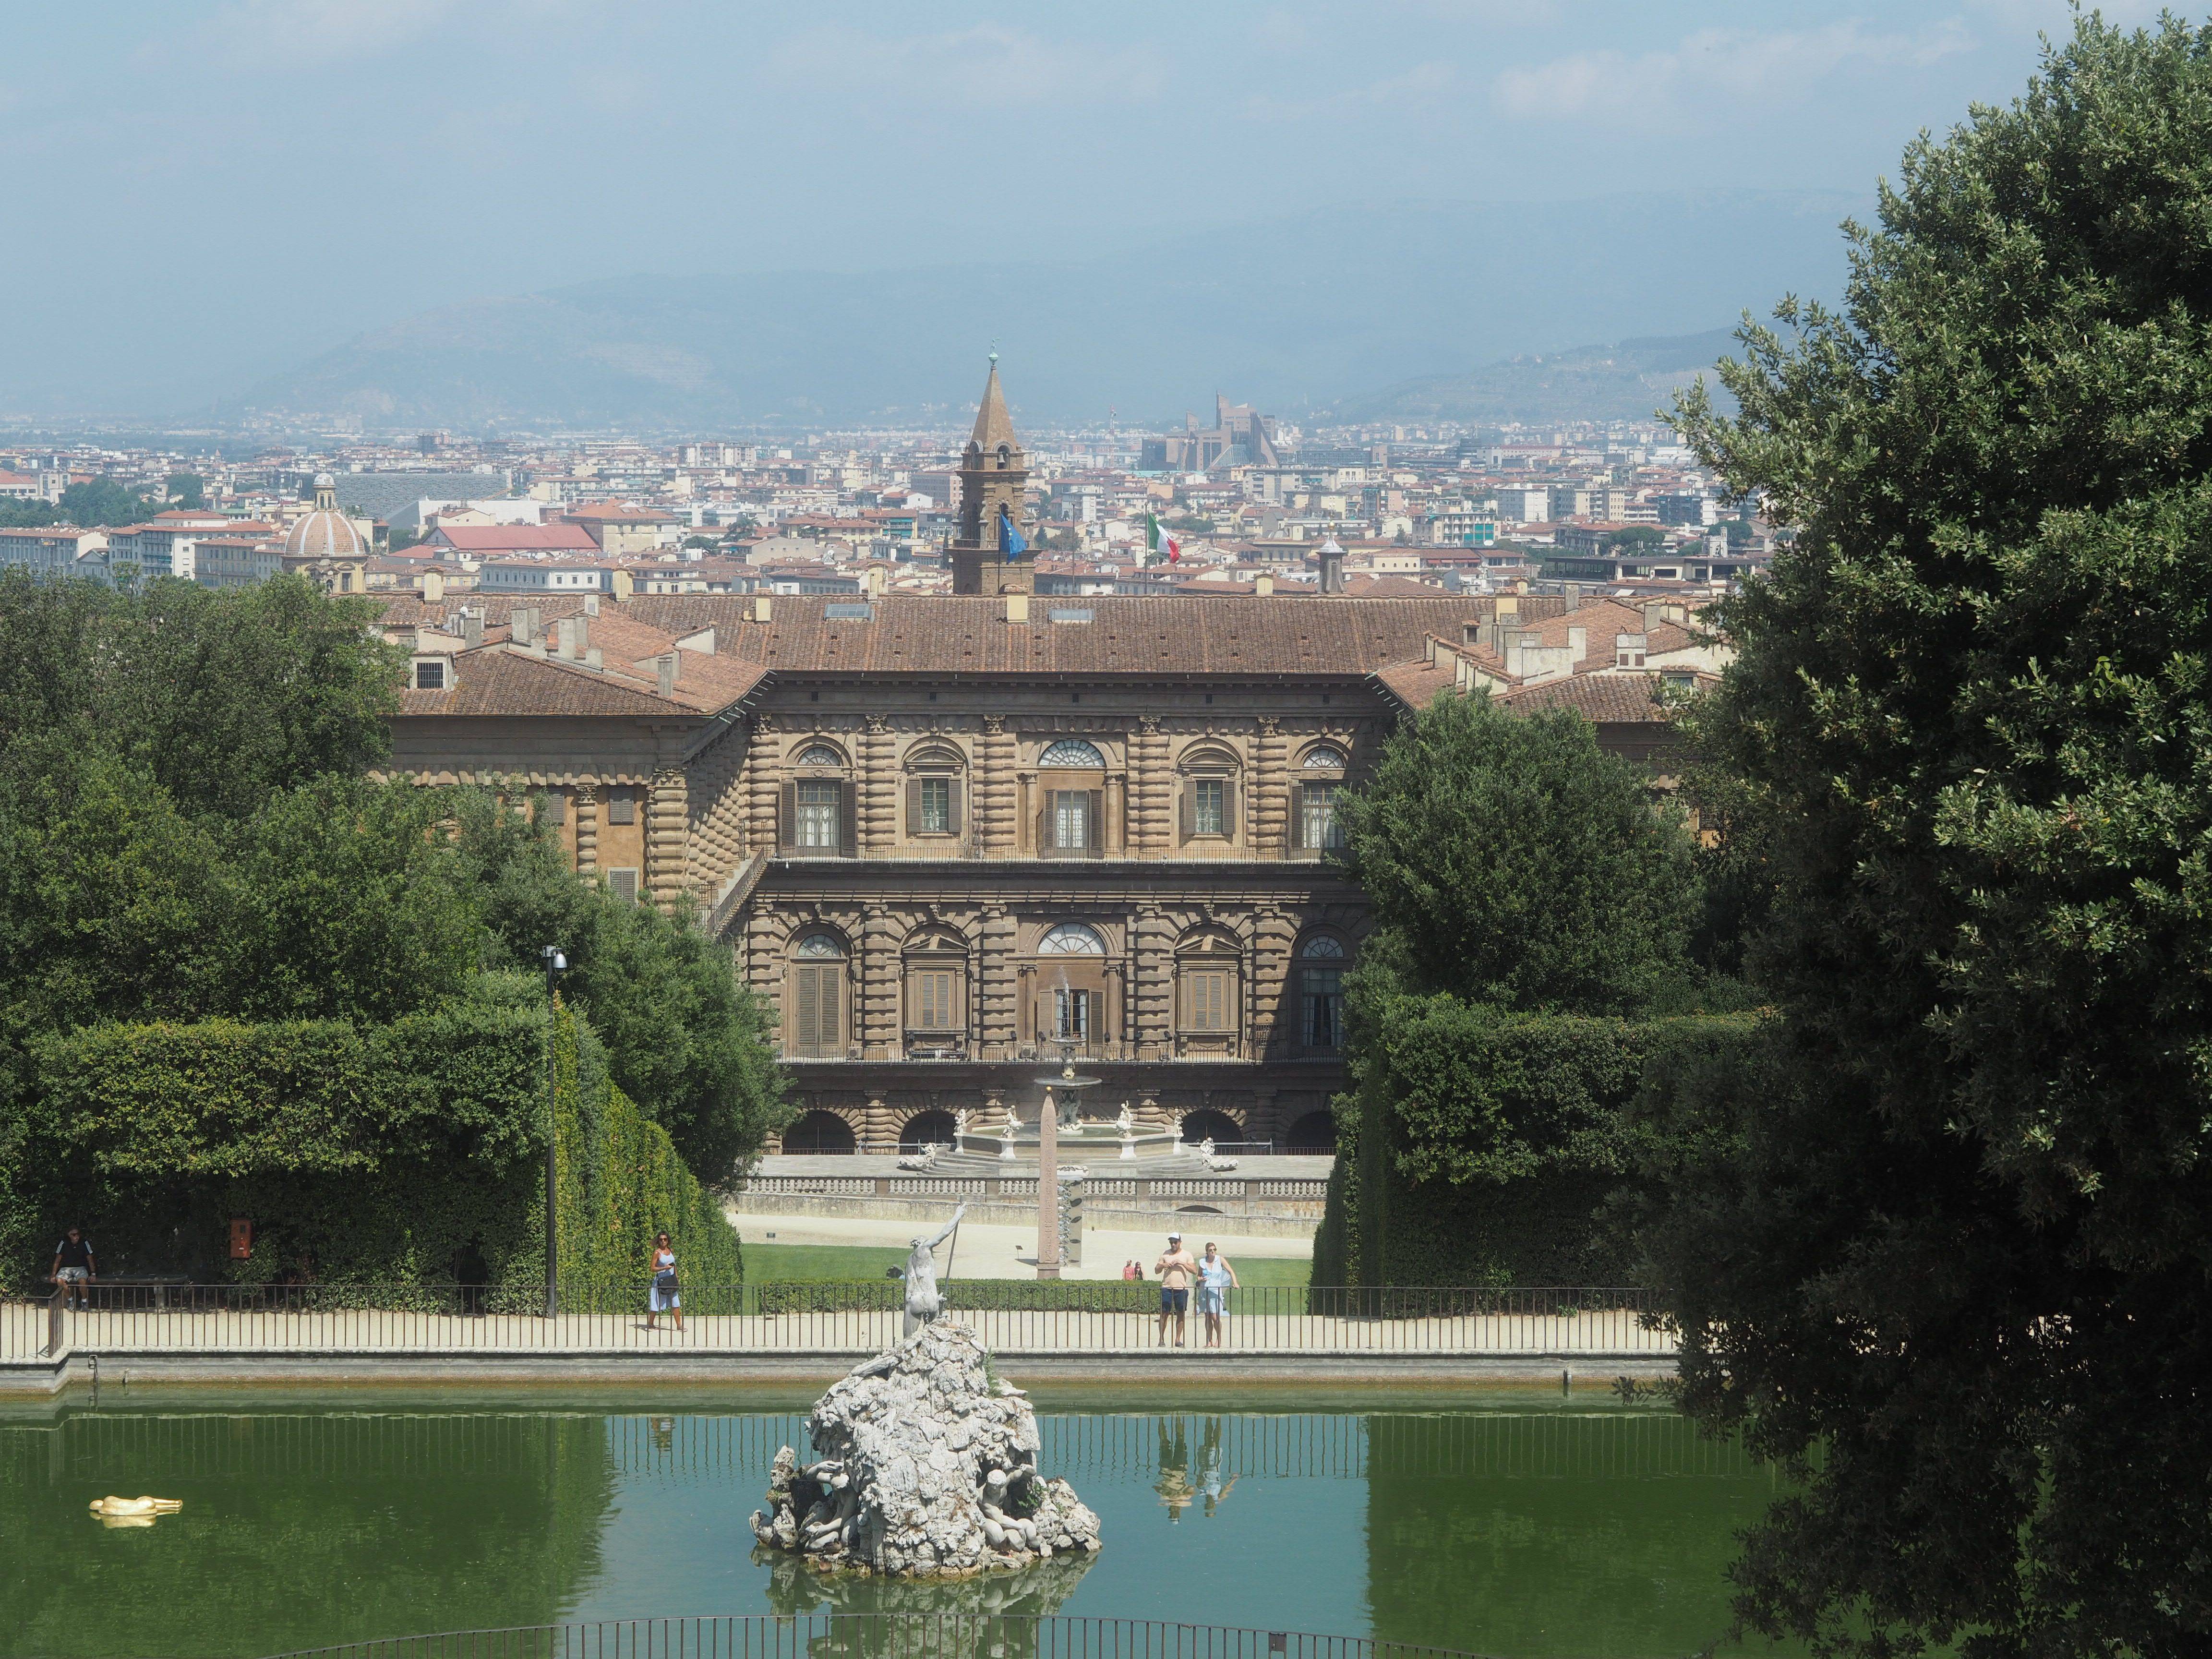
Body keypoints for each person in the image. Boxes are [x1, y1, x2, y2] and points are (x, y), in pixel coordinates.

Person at [1154, 1231, 1197, 1348]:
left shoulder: (1187, 1255)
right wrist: (1163, 1265)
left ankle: (1178, 1339)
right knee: (1164, 1314)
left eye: (1175, 1242)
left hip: (1181, 1289)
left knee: (1181, 1314)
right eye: (1171, 1242)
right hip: (1167, 1288)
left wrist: (1181, 1263)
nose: (1173, 1245)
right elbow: (1156, 1270)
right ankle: (1161, 1339)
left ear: (1180, 1243)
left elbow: (1194, 1271)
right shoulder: (1165, 1254)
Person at [1196, 1241, 1238, 1348]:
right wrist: (1201, 1279)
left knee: (1216, 1317)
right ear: (1207, 1252)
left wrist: (1235, 1283)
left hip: (1216, 1292)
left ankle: (1219, 1339)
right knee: (1207, 1317)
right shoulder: (1202, 1262)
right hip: (1204, 1292)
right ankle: (1209, 1341)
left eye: (1214, 1250)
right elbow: (1199, 1276)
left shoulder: (1220, 1259)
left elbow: (1231, 1271)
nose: (1213, 1252)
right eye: (1211, 1250)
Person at [49, 1226, 95, 1311]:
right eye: (74, 1235)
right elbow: (58, 1259)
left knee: (83, 1280)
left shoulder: (84, 1242)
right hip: (66, 1268)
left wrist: (93, 1273)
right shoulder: (64, 1242)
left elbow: (90, 1258)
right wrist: (53, 1274)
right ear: (69, 1235)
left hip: (80, 1267)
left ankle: (84, 1302)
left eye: (78, 1234)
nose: (77, 1236)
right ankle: (70, 1301)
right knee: (59, 1281)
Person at [646, 1231, 683, 1332]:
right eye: (661, 1239)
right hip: (661, 1282)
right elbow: (652, 1269)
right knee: (656, 1303)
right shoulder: (657, 1253)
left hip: (671, 1281)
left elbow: (674, 1265)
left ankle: (679, 1326)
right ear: (658, 1241)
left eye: (665, 1239)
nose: (663, 1241)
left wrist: (677, 1276)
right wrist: (665, 1268)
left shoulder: (671, 1250)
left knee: (676, 1302)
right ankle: (651, 1324)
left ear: (668, 1240)